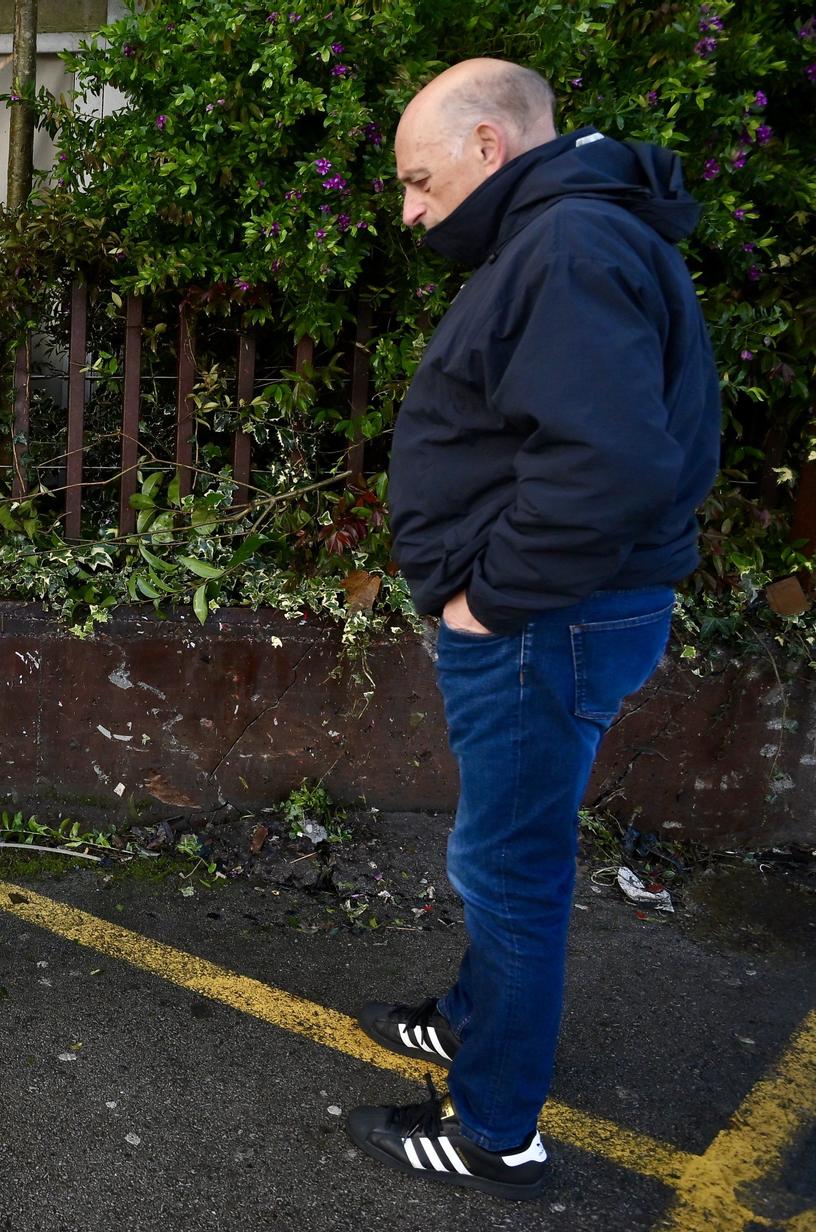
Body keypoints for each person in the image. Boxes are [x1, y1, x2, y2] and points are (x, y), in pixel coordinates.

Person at [346, 58, 720, 1198]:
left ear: (487, 148)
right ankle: (469, 1019)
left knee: (508, 867)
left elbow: (605, 465)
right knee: (503, 848)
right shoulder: (572, 233)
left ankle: (493, 1127)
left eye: (418, 179)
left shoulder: (567, 247)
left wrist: (484, 598)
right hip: (556, 617)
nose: (408, 209)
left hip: (541, 622)